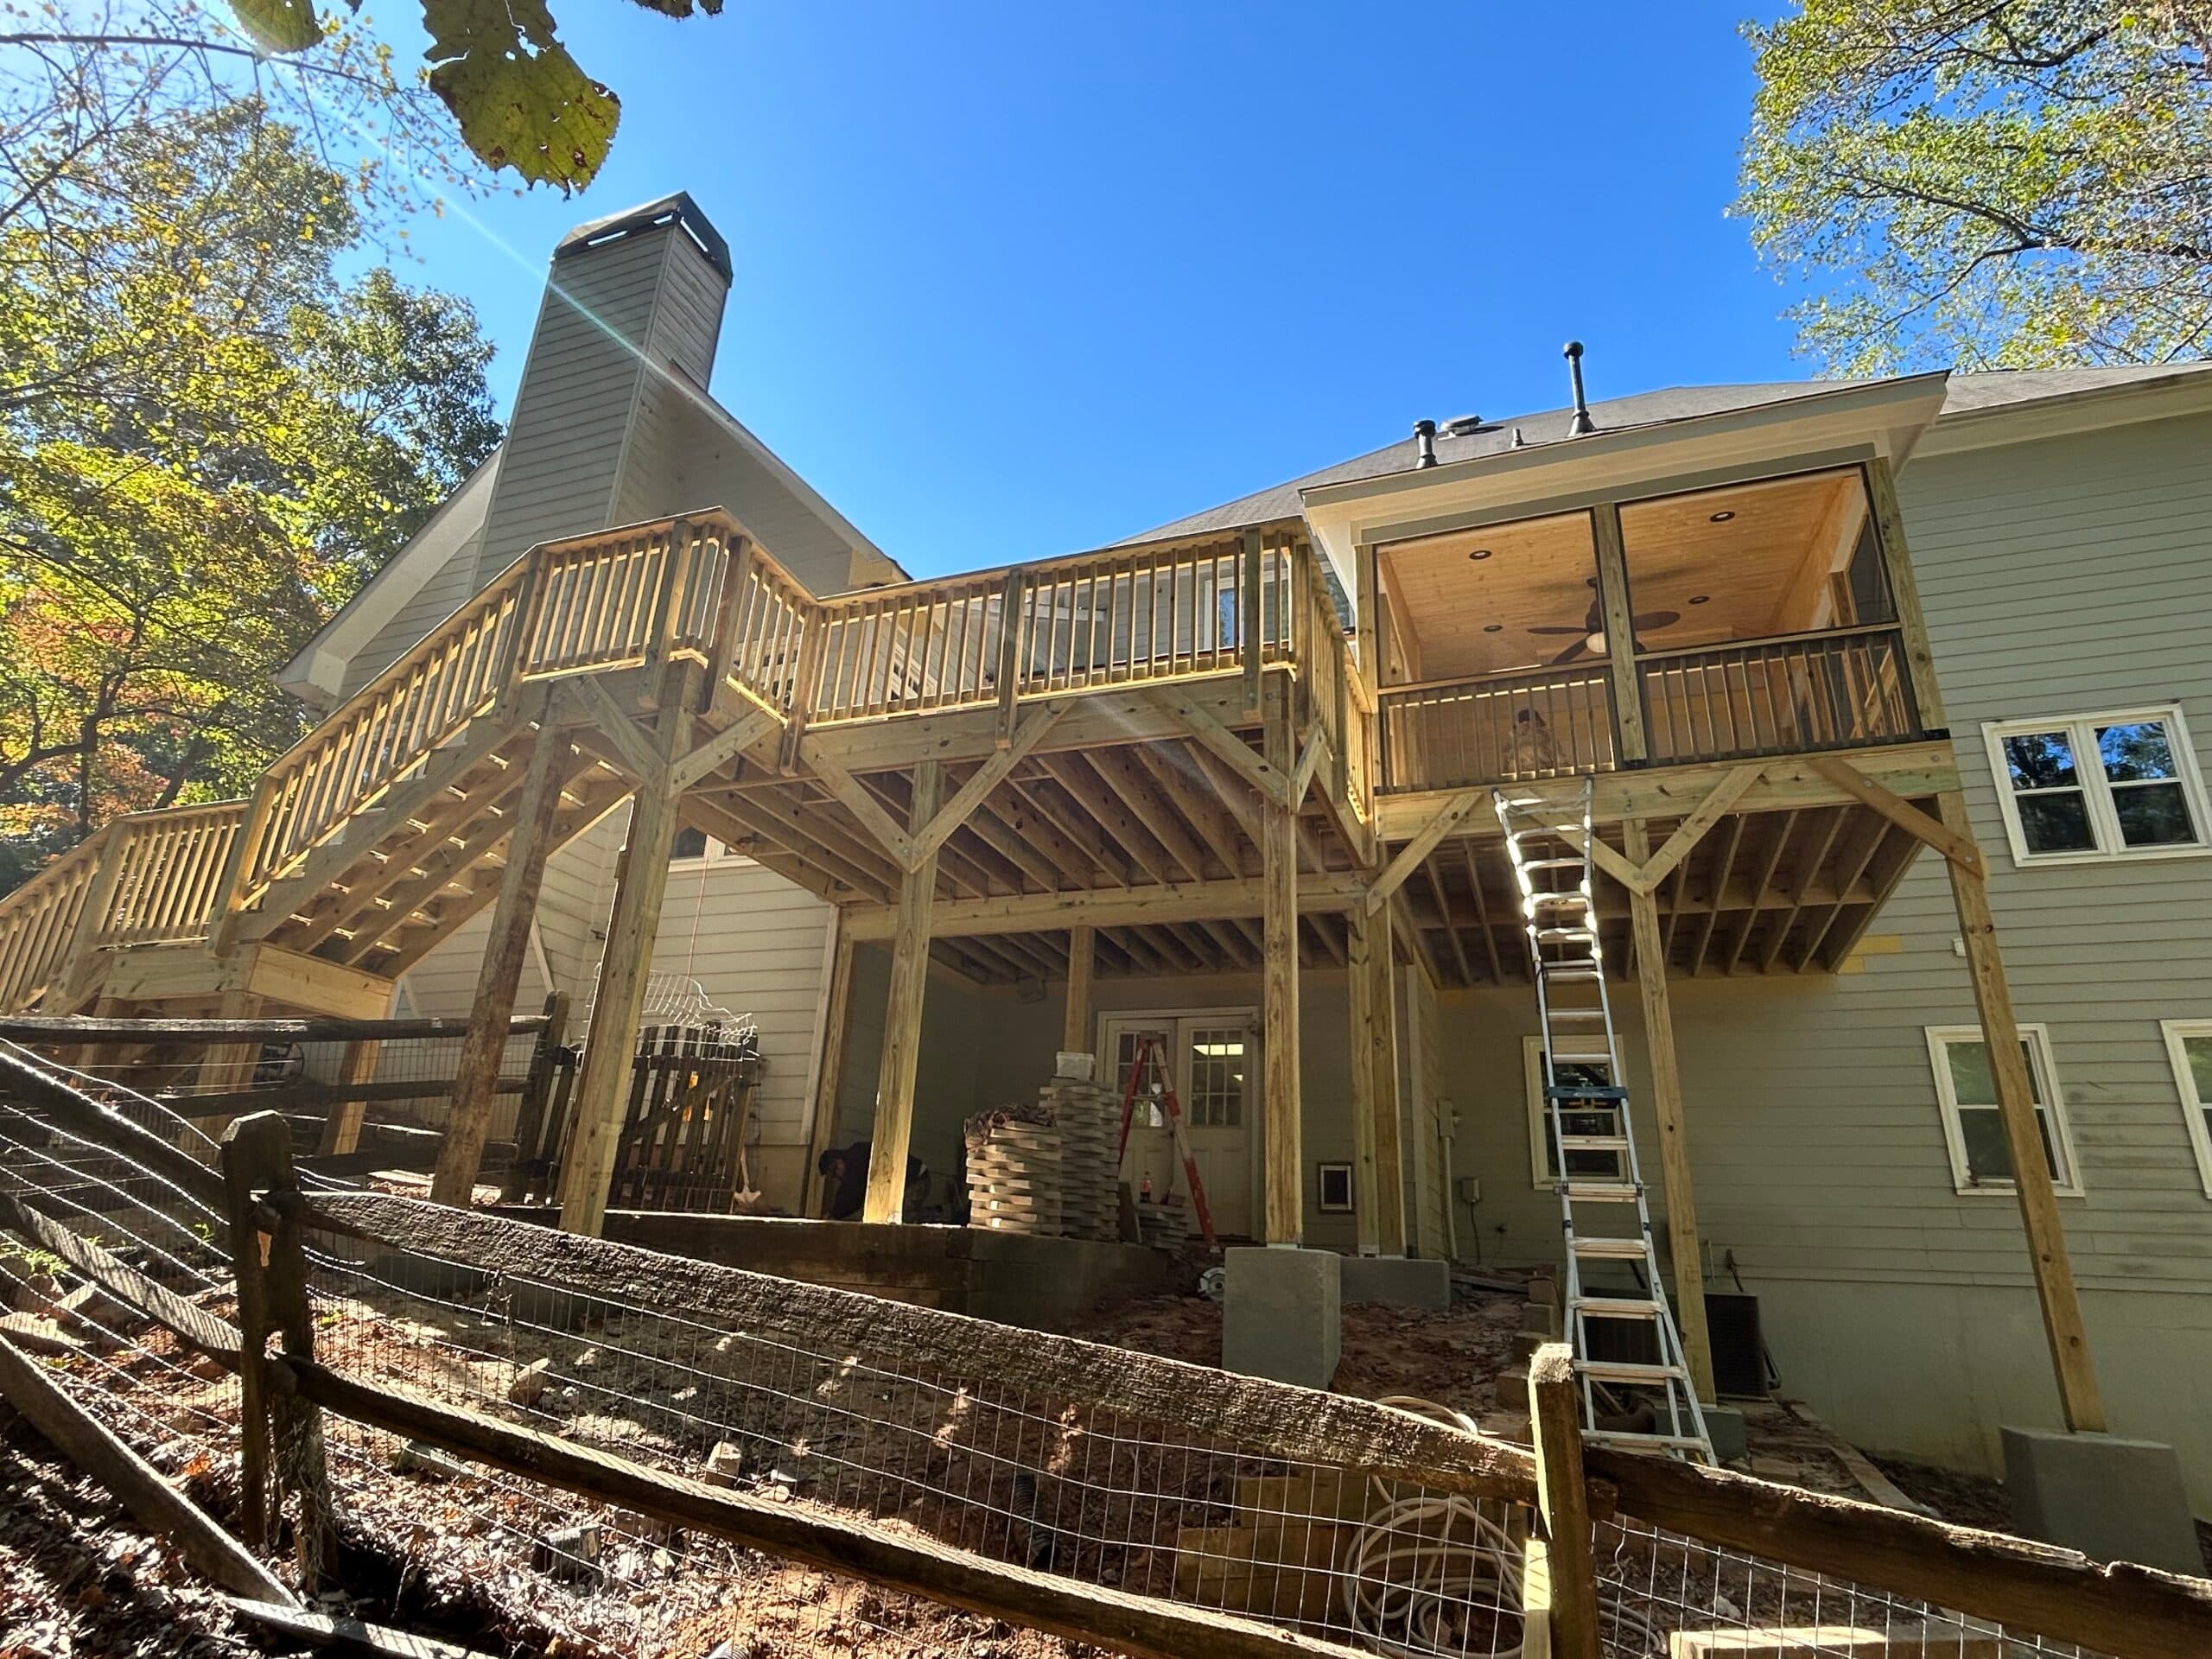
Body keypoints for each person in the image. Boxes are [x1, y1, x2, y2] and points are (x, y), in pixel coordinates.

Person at [818, 1140, 925, 1220]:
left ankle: (932, 1215)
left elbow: (850, 1193)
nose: (837, 1175)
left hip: (917, 1180)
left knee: (898, 1218)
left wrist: (834, 1214)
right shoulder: (855, 1155)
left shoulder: (856, 1160)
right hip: (913, 1178)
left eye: (835, 1169)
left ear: (839, 1160)